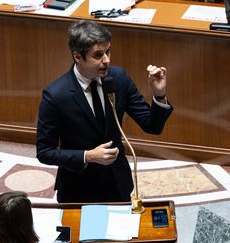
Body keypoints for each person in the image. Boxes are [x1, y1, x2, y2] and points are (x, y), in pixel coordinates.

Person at [36, 20, 173, 203]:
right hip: (79, 190)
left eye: (107, 51)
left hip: (117, 184)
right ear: (77, 57)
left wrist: (159, 94)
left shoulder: (119, 78)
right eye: (98, 55)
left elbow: (152, 126)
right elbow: (45, 152)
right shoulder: (56, 95)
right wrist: (88, 156)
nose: (106, 60)